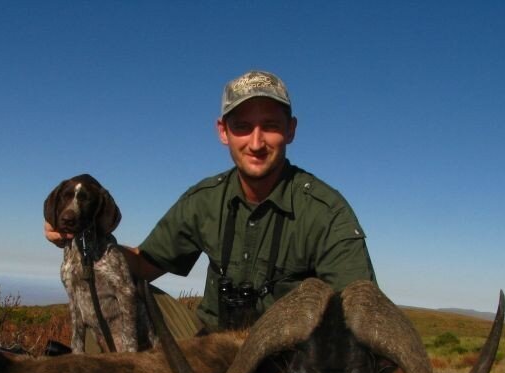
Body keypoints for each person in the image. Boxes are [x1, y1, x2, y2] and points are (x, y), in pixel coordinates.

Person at [46, 70, 375, 332]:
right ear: (223, 132)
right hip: (207, 346)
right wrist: (86, 239)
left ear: (290, 130)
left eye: (271, 127)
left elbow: (362, 311)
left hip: (286, 362)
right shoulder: (204, 200)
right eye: (242, 127)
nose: (256, 142)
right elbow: (143, 265)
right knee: (116, 298)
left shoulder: (325, 211)